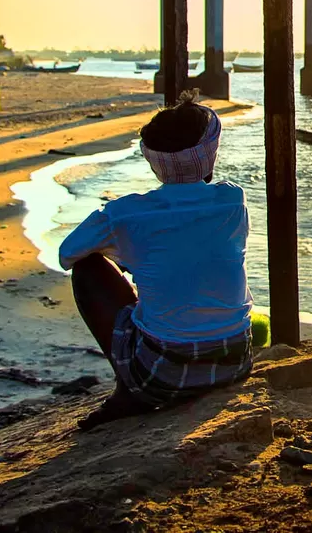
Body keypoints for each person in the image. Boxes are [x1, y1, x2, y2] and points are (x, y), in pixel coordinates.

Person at [59, 94, 254, 431]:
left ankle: (128, 390)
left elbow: (68, 254)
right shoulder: (232, 199)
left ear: (153, 160)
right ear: (210, 154)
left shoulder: (126, 213)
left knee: (87, 268)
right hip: (235, 362)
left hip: (161, 376)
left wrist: (123, 250)